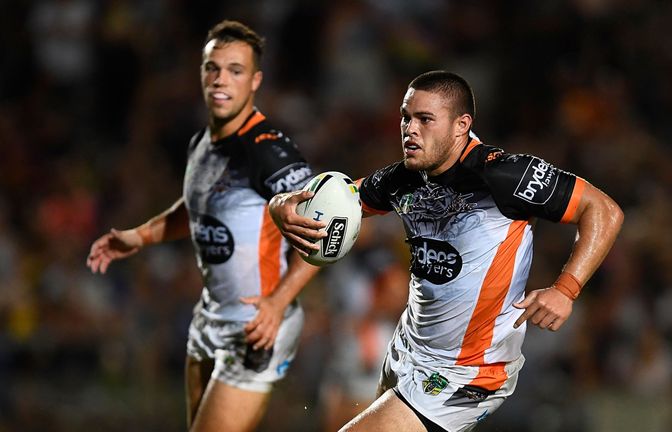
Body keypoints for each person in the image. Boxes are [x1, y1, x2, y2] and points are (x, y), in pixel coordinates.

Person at [269, 70, 624, 432]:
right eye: (406, 117)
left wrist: (566, 288)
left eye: (425, 119)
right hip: (406, 350)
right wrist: (281, 205)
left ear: (461, 125)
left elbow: (603, 210)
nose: (410, 129)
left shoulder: (503, 174)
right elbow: (335, 203)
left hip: (468, 373)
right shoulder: (404, 178)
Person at [86, 20, 319, 431]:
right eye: (213, 68)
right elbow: (197, 207)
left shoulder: (269, 152)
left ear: (255, 80)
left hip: (257, 323)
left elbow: (322, 232)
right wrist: (140, 235)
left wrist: (278, 303)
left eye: (235, 70)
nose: (220, 79)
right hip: (211, 316)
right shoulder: (201, 143)